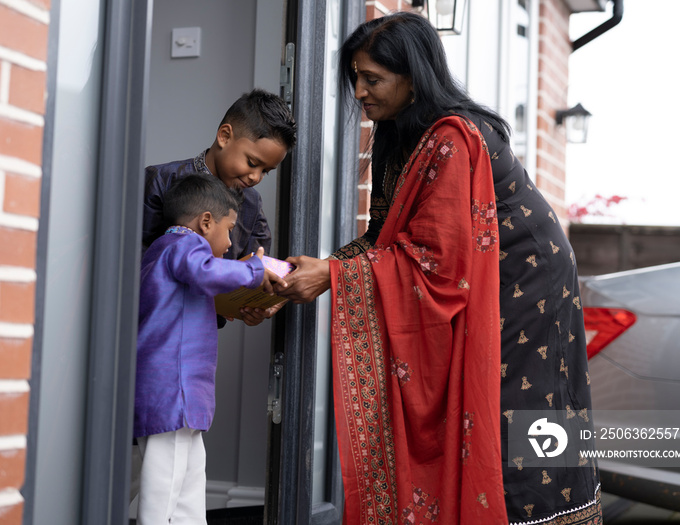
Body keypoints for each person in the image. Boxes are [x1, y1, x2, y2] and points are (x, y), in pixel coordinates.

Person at [276, 12, 602, 525]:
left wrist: (333, 279)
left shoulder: (453, 137)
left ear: (413, 75)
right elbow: (384, 240)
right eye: (355, 79)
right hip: (484, 272)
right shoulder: (401, 138)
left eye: (373, 79)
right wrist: (324, 269)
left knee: (507, 415)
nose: (359, 92)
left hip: (521, 282)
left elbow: (436, 261)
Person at [133, 174, 286, 524]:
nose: (231, 241)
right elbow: (204, 270)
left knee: (189, 479)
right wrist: (253, 268)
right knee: (164, 484)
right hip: (173, 390)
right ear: (205, 223)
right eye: (229, 229)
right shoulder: (183, 245)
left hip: (180, 394)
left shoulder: (165, 254)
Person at [142, 88, 296, 326]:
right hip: (148, 328)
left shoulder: (252, 206)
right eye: (252, 163)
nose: (256, 177)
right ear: (225, 136)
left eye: (266, 171)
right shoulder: (160, 181)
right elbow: (134, 263)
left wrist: (258, 300)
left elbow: (256, 266)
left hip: (202, 335)